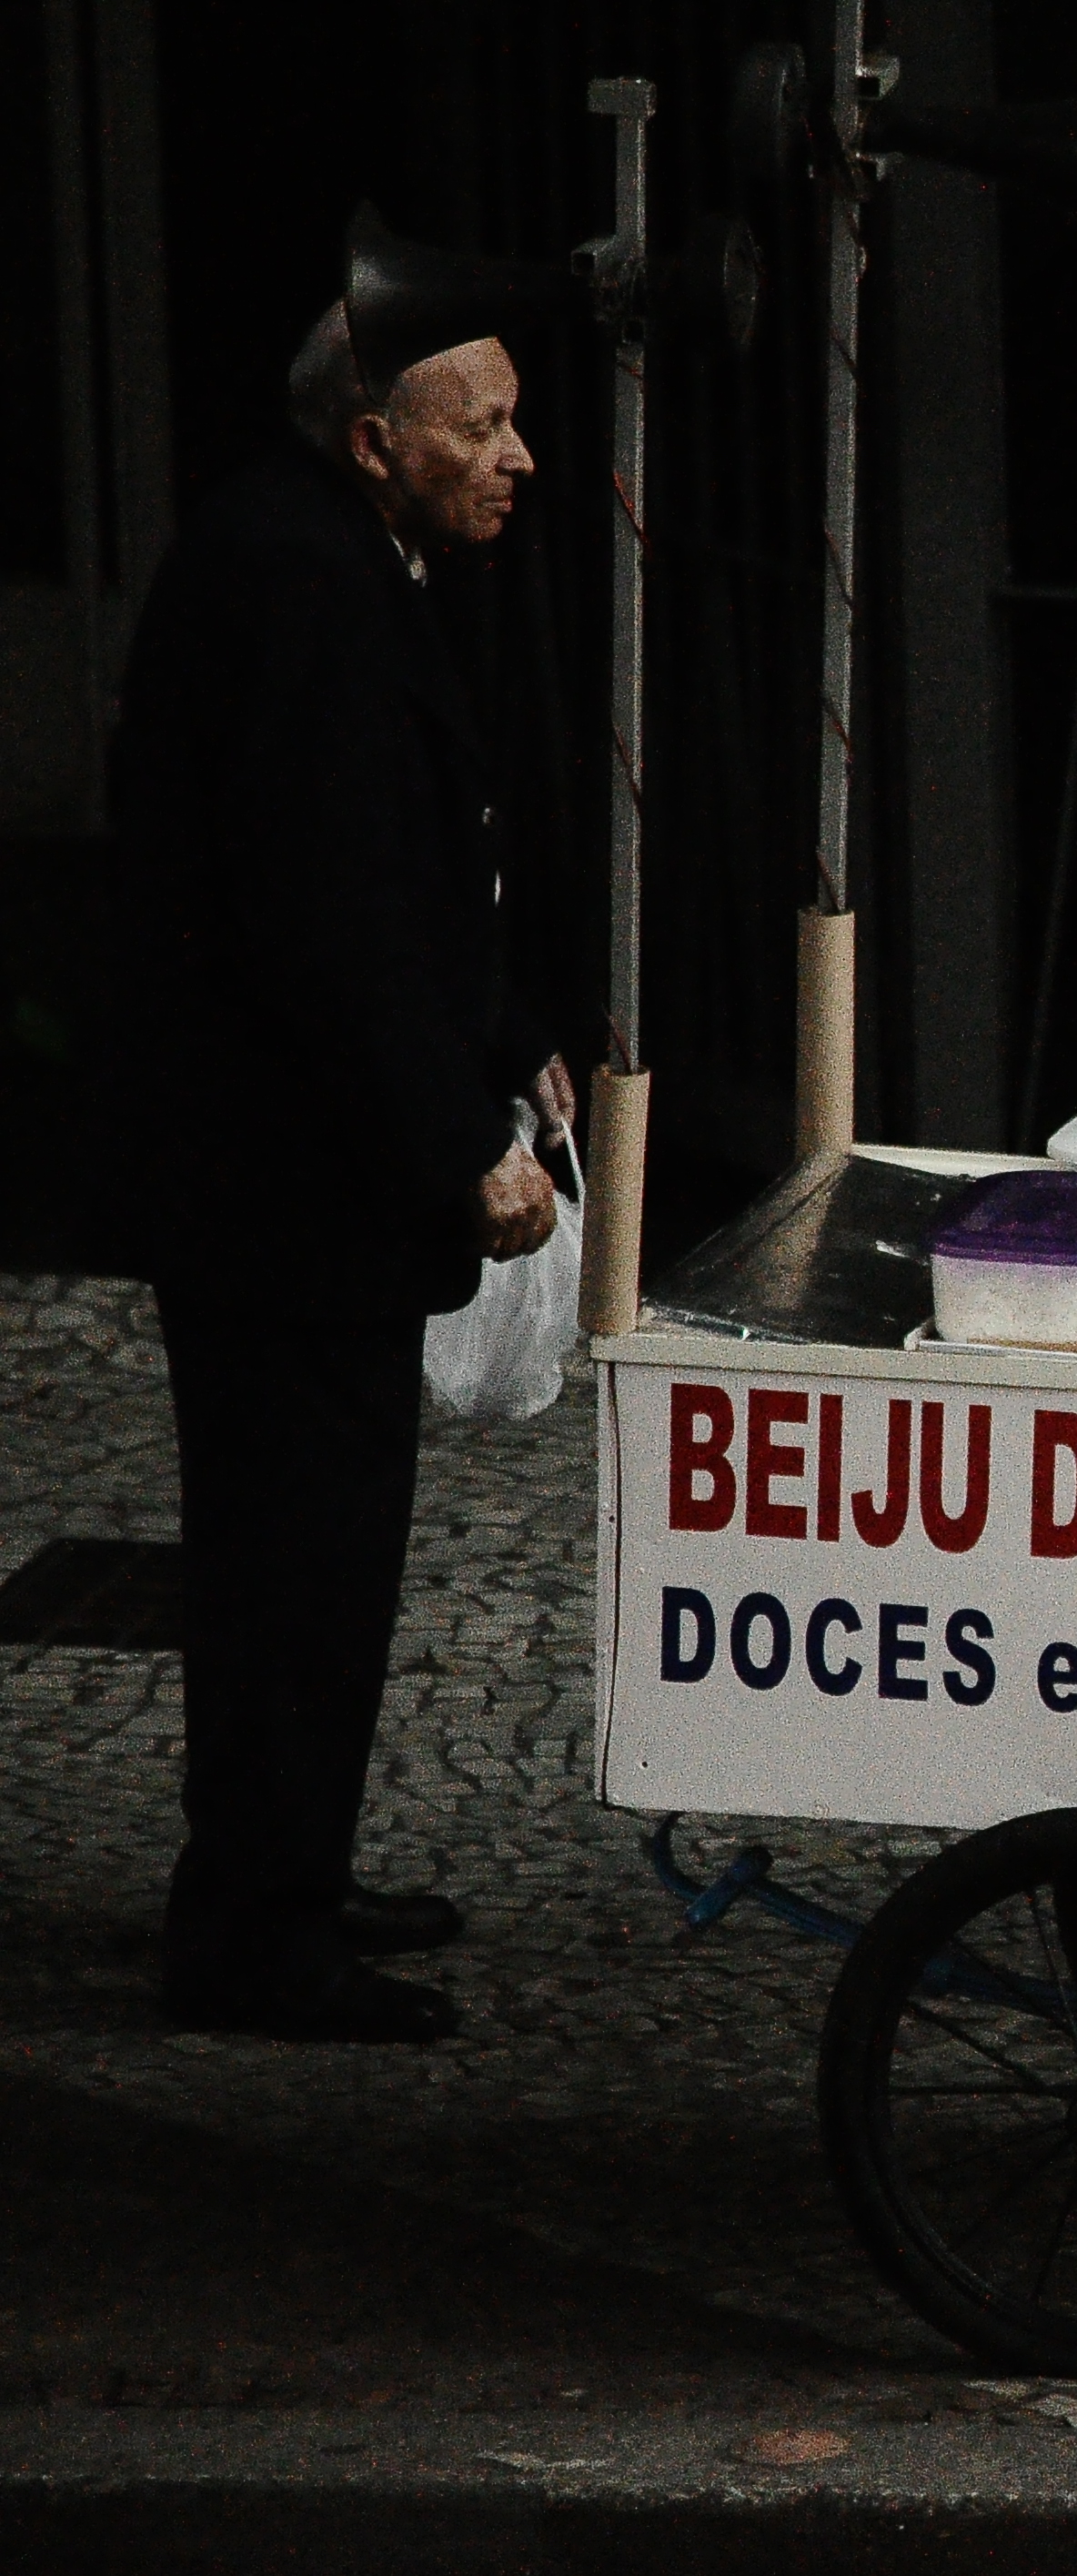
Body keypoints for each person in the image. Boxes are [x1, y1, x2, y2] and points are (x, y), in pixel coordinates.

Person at [105, 297, 569, 2045]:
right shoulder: (300, 581)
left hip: (272, 1173)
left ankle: (283, 1866)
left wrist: (503, 1026)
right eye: (482, 427)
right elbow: (328, 917)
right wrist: (463, 1143)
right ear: (377, 438)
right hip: (279, 1188)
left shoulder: (324, 549)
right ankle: (255, 1927)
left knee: (307, 1554)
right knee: (295, 1558)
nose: (517, 457)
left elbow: (412, 863)